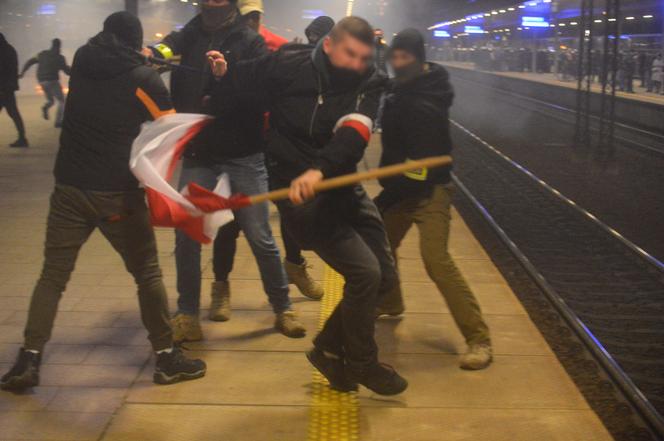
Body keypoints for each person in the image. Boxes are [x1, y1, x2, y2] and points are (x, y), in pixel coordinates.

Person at [0, 12, 206, 392]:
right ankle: (165, 358)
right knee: (147, 273)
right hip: (117, 195)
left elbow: (113, 72)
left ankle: (28, 360)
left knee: (53, 276)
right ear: (136, 40)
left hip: (69, 188)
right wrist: (152, 72)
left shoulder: (82, 59)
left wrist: (141, 63)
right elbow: (169, 124)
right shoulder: (142, 76)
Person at [207, 16, 408, 395]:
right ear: (329, 45)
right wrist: (223, 73)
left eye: (364, 57)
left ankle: (329, 350)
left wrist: (319, 169)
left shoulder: (369, 80)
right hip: (300, 201)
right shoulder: (288, 64)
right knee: (366, 275)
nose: (357, 64)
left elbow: (355, 131)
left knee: (385, 278)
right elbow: (243, 79)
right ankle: (362, 363)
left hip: (340, 187)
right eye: (350, 54)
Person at [153, 0, 306, 342]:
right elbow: (165, 48)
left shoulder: (248, 41)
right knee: (186, 236)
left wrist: (226, 78)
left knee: (260, 236)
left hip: (243, 153)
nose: (212, 2)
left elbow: (259, 96)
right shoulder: (187, 35)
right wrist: (153, 52)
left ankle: (283, 308)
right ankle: (187, 314)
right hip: (199, 151)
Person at [374, 29, 493, 371]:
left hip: (430, 191)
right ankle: (391, 301)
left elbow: (424, 163)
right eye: (395, 57)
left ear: (419, 58)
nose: (398, 63)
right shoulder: (401, 89)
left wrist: (390, 190)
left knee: (436, 260)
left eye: (405, 57)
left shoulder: (425, 99)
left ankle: (479, 339)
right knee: (381, 242)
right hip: (403, 185)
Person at [211, 0, 325, 312]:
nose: (250, 21)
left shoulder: (277, 46)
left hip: (275, 144)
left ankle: (295, 265)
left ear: (261, 15)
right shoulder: (223, 47)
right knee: (229, 221)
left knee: (290, 210)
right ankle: (221, 285)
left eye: (254, 15)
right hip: (240, 144)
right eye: (245, 15)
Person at [20, 38, 71, 128]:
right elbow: (67, 71)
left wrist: (23, 72)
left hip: (42, 81)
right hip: (52, 80)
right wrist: (75, 71)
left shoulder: (42, 54)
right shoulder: (60, 57)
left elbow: (30, 61)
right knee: (62, 101)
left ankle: (46, 107)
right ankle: (58, 122)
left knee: (51, 100)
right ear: (59, 46)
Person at [0, 33, 28, 147]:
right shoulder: (9, 49)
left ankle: (22, 138)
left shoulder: (3, 52)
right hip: (8, 87)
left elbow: (3, 71)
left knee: (13, 113)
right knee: (14, 113)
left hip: (3, 87)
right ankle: (22, 138)